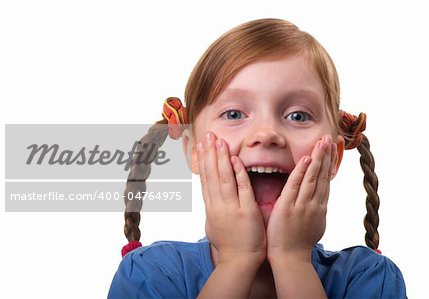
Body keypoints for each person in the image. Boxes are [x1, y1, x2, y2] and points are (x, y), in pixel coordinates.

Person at [108, 18, 407, 298]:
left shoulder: (370, 278)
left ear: (333, 158)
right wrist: (236, 260)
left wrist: (292, 260)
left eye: (298, 115)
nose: (267, 134)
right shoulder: (150, 274)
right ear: (192, 150)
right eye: (234, 113)